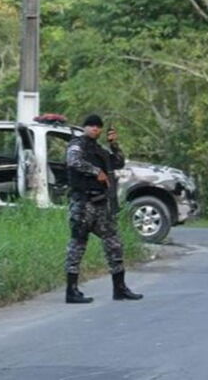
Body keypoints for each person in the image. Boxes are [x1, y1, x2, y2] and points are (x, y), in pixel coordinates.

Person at [64, 114, 143, 303]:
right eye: (91, 126)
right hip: (83, 204)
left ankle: (120, 288)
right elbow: (73, 161)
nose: (95, 129)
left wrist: (114, 144)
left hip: (100, 205)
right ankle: (71, 291)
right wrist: (95, 171)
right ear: (84, 127)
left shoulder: (99, 150)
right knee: (77, 246)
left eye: (98, 127)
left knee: (114, 244)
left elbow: (118, 162)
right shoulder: (77, 144)